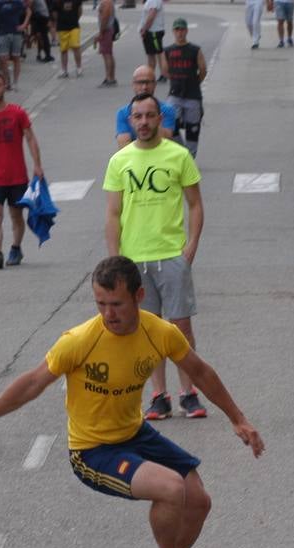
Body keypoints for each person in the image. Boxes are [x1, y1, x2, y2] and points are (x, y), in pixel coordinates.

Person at [0, 255, 264, 548]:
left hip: (135, 434)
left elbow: (200, 372)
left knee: (198, 501)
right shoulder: (80, 340)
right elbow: (33, 382)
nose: (108, 314)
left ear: (139, 297)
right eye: (101, 304)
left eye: (117, 304)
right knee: (171, 489)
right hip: (92, 450)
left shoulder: (160, 333)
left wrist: (237, 418)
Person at [105, 91, 206, 420]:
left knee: (180, 328)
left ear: (160, 119)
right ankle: (158, 395)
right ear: (130, 120)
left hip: (171, 257)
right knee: (146, 331)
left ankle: (188, 393)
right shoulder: (120, 161)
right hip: (134, 261)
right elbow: (112, 213)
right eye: (138, 117)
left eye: (150, 116)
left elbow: (195, 204)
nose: (144, 122)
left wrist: (190, 247)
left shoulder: (178, 156)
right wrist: (115, 260)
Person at [0, 72, 42, 270]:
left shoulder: (18, 113)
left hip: (16, 175)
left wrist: (37, 164)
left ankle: (16, 247)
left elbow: (30, 138)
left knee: (16, 216)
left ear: (5, 87)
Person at [163, 18, 205, 157]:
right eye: (177, 30)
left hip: (192, 94)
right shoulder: (168, 51)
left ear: (186, 31)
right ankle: (182, 151)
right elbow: (164, 71)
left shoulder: (195, 50)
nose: (179, 33)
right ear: (173, 32)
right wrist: (176, 80)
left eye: (182, 30)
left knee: (193, 128)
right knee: (168, 122)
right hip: (175, 94)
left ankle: (191, 155)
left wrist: (194, 82)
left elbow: (202, 70)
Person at [114, 66, 175, 147]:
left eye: (148, 82)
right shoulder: (123, 113)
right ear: (133, 85)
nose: (144, 87)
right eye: (140, 82)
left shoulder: (167, 110)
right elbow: (123, 145)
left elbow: (166, 141)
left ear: (155, 84)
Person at [0, 0, 28, 88]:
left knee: (16, 57)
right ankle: (7, 81)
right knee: (3, 58)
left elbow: (28, 11)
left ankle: (15, 82)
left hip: (16, 33)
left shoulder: (18, 3)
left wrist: (24, 25)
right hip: (3, 33)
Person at [138, 0, 166, 81]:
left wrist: (145, 29)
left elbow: (152, 15)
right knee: (151, 54)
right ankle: (151, 75)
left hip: (153, 31)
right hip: (152, 31)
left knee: (159, 53)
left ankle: (162, 75)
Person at [53, 0, 82, 78]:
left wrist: (75, 19)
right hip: (62, 28)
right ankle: (64, 70)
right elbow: (55, 15)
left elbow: (80, 11)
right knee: (63, 49)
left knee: (76, 46)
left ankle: (79, 68)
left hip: (74, 26)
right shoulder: (57, 1)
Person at [95, 0, 117, 86]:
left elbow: (105, 16)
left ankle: (109, 78)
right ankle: (111, 77)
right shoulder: (107, 2)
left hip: (106, 30)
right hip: (108, 29)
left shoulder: (106, 2)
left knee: (106, 54)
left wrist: (101, 31)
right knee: (109, 54)